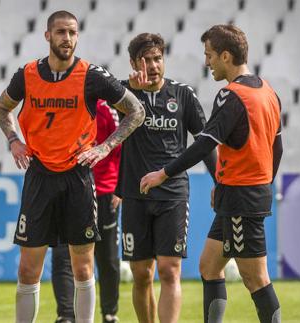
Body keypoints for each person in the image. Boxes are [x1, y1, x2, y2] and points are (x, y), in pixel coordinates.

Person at [0, 10, 144, 323]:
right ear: (48, 36)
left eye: (72, 33)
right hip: (39, 176)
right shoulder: (27, 75)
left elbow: (136, 110)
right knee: (28, 269)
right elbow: (3, 108)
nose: (67, 39)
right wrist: (13, 140)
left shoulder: (91, 76)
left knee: (83, 266)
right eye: (61, 32)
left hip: (78, 176)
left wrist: (106, 146)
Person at [140, 24, 283, 323]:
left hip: (243, 197)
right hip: (242, 193)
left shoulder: (231, 95)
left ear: (226, 56)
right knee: (209, 266)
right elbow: (276, 148)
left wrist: (163, 173)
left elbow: (204, 143)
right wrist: (246, 184)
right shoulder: (268, 91)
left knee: (256, 278)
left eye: (210, 56)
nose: (207, 63)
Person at [116, 33, 216, 323]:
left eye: (157, 58)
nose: (153, 65)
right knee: (141, 274)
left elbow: (205, 140)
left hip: (173, 194)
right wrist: (128, 92)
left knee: (170, 270)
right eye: (146, 60)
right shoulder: (122, 94)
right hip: (135, 195)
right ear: (134, 63)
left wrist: (219, 182)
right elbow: (101, 112)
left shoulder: (182, 94)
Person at [51, 99, 122, 323]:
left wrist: (119, 188)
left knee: (107, 257)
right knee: (62, 254)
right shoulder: (64, 106)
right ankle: (65, 315)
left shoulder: (106, 110)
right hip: (68, 191)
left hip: (103, 192)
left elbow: (121, 149)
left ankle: (109, 313)